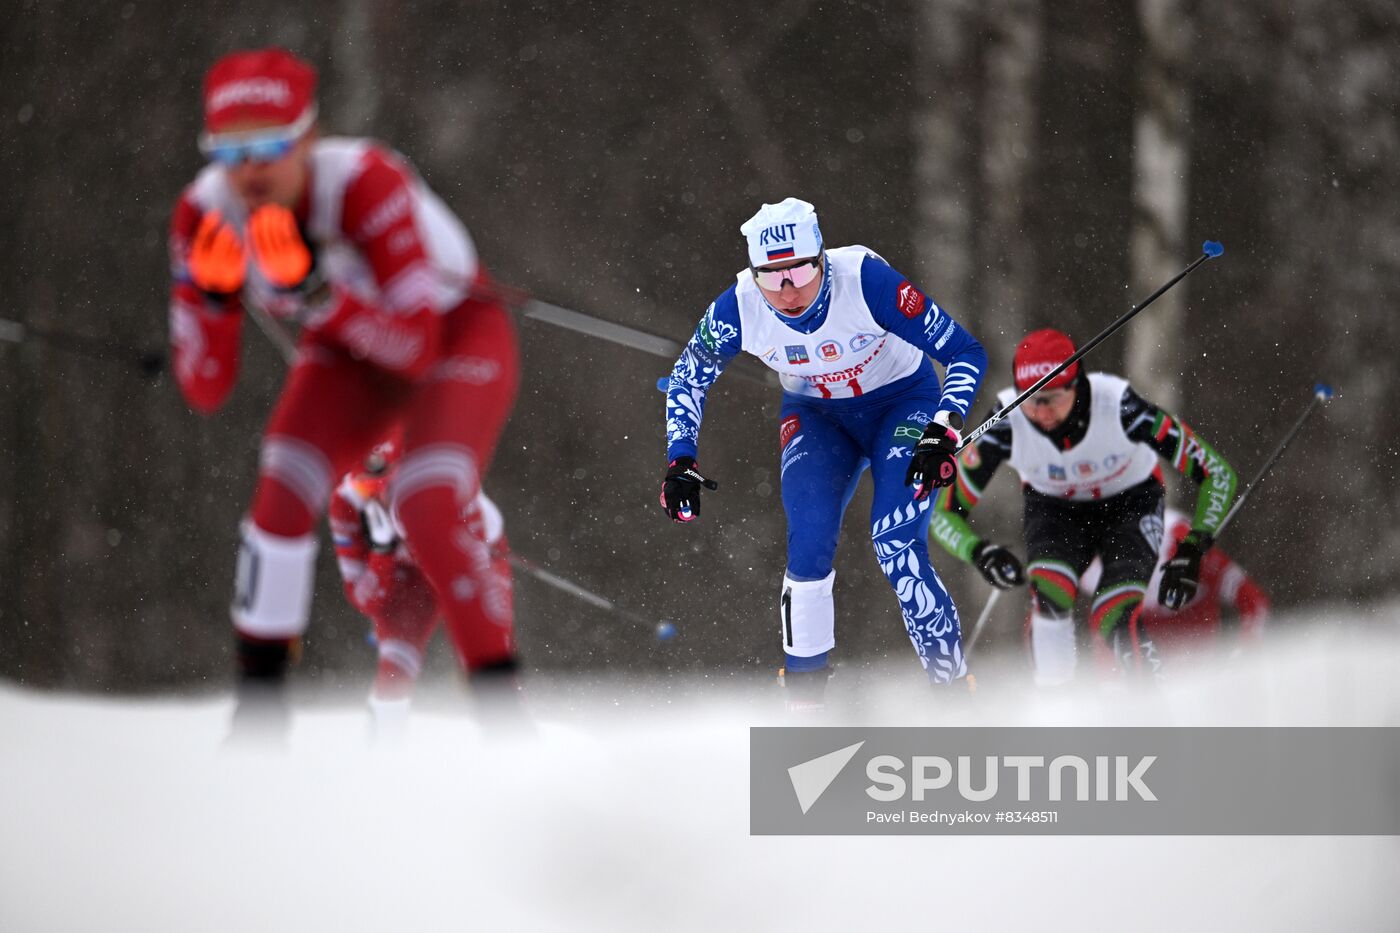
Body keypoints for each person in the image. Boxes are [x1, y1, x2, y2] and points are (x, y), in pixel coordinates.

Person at [166, 48, 521, 731]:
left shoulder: (363, 182)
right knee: (282, 486)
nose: (249, 170)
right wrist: (213, 300)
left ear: (309, 137)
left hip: (456, 334)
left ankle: (504, 717)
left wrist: (316, 290)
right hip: (346, 346)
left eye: (269, 146)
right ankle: (258, 719)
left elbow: (417, 348)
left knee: (426, 499)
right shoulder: (204, 214)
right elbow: (206, 386)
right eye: (227, 151)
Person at [660, 198, 988, 707]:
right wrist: (681, 460)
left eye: (798, 272)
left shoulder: (865, 280)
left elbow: (965, 351)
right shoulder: (739, 306)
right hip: (818, 417)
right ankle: (806, 704)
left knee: (894, 541)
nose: (787, 291)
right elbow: (687, 376)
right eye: (772, 277)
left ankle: (952, 695)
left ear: (822, 260)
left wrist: (944, 428)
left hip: (902, 404)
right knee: (807, 545)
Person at [931, 327, 1240, 685]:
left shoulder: (1120, 406)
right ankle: (1056, 712)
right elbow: (942, 515)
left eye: (1053, 398)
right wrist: (980, 553)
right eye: (1029, 400)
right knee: (1049, 594)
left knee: (1114, 613)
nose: (1041, 412)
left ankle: (1148, 705)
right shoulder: (1005, 422)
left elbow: (1217, 473)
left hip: (1131, 502)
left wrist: (1192, 549)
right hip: (1056, 510)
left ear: (1077, 385)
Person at [329, 433, 514, 737]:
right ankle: (382, 749)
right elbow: (365, 599)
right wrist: (382, 550)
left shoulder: (440, 484)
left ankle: (508, 734)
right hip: (405, 575)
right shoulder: (346, 503)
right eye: (365, 487)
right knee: (394, 666)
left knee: (486, 654)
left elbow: (474, 570)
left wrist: (427, 536)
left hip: (463, 560)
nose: (380, 497)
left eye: (391, 485)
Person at [1080, 507, 1269, 662]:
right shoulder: (1087, 570)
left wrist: (1245, 654)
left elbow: (1254, 602)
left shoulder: (1179, 541)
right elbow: (1105, 642)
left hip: (1200, 652)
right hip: (1152, 663)